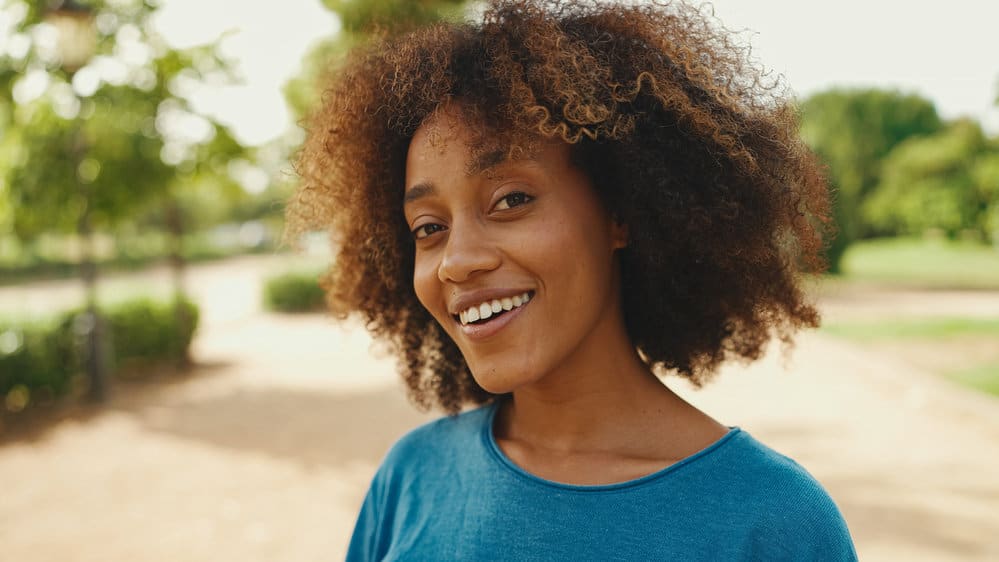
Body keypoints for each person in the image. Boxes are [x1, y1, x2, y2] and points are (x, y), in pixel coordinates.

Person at [289, 0, 857, 559]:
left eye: (511, 200)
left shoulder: (771, 521)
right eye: (429, 227)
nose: (456, 261)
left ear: (620, 211)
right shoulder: (411, 477)